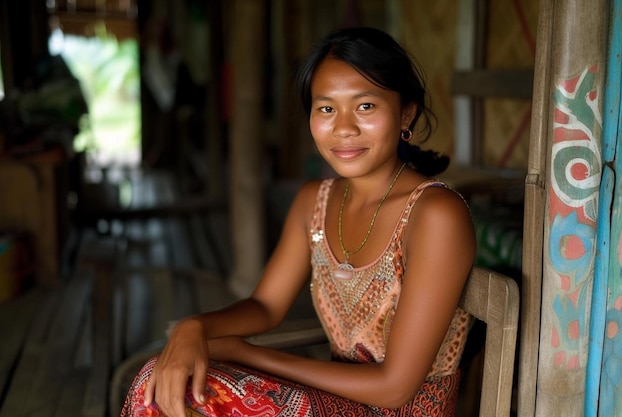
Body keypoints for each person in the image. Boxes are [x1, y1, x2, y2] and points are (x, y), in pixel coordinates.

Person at [120, 26, 476, 417]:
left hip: (398, 409)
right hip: (332, 402)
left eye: (365, 106)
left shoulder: (436, 214)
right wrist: (195, 327)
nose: (343, 127)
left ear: (406, 111)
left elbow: (394, 389)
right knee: (160, 384)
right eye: (326, 108)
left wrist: (248, 354)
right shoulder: (315, 201)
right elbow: (266, 306)